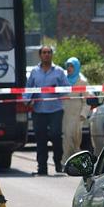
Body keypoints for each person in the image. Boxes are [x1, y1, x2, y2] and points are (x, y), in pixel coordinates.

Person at [27, 45, 69, 175]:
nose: (46, 55)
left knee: (56, 136)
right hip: (39, 110)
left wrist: (57, 90)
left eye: (49, 52)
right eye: (44, 52)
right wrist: (27, 100)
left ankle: (58, 163)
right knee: (40, 139)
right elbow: (28, 88)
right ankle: (42, 167)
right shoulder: (34, 72)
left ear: (52, 55)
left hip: (55, 110)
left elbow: (67, 89)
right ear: (40, 55)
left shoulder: (59, 71)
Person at [62, 56, 90, 162]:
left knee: (76, 138)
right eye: (67, 66)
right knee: (66, 138)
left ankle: (77, 161)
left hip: (77, 114)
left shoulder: (82, 82)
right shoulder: (63, 80)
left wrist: (83, 114)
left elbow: (86, 100)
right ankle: (65, 161)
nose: (69, 68)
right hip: (65, 114)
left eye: (71, 66)